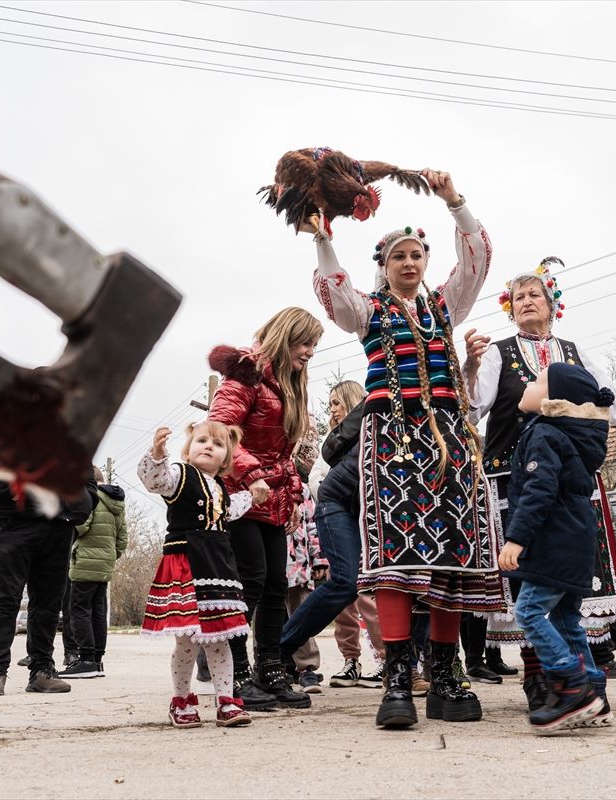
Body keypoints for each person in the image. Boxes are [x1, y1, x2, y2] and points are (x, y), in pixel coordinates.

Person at [309, 168, 503, 728]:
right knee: (393, 555)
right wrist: (323, 235)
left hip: (452, 441)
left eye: (417, 254)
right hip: (391, 438)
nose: (411, 263)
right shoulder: (369, 311)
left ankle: (445, 675)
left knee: (453, 556)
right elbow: (333, 290)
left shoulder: (446, 305)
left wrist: (454, 202)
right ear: (385, 266)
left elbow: (477, 261)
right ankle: (397, 677)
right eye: (399, 256)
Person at [464, 257, 616, 706]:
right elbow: (473, 407)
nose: (527, 301)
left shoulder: (575, 353)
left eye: (535, 294)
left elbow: (615, 406)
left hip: (573, 484)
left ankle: (580, 680)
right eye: (519, 297)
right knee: (528, 579)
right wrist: (472, 367)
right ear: (509, 308)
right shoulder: (499, 351)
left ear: (553, 304)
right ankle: (539, 678)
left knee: (570, 584)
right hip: (517, 478)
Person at [208, 306, 323, 711]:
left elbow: (286, 454)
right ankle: (236, 674)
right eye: (305, 342)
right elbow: (220, 431)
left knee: (277, 584)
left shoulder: (290, 384)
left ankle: (271, 670)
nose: (310, 351)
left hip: (273, 498)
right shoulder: (246, 372)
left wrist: (291, 499)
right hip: (238, 495)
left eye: (314, 345)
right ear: (286, 336)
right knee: (249, 583)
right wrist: (251, 474)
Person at [499, 363, 616, 734]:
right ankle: (595, 696)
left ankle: (571, 686)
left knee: (530, 612)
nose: (528, 383)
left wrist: (516, 538)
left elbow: (539, 492)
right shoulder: (574, 436)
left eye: (537, 381)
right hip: (577, 541)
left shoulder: (546, 435)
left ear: (554, 400)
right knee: (568, 621)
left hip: (553, 541)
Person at [139, 421, 254, 728]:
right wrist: (158, 453)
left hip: (218, 567)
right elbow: (156, 480)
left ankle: (226, 700)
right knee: (187, 640)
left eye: (217, 444)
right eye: (201, 440)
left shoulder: (222, 489)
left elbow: (231, 510)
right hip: (187, 563)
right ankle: (181, 699)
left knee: (219, 640)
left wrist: (255, 494)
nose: (208, 446)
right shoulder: (179, 475)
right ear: (188, 451)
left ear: (225, 458)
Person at [0, 471, 96, 697]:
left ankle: (42, 669)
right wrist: (13, 489)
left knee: (49, 600)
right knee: (3, 597)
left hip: (59, 520)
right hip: (12, 518)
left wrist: (86, 500)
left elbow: (84, 466)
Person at [300, 380, 386, 690]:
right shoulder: (330, 441)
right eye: (330, 403)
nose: (332, 408)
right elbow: (316, 477)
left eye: (337, 402)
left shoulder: (367, 431)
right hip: (337, 521)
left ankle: (383, 658)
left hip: (365, 519)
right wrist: (324, 491)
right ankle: (351, 659)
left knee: (366, 592)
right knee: (344, 598)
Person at [60, 466, 127, 679]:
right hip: (105, 564)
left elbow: (81, 526)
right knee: (98, 612)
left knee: (79, 610)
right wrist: (109, 556)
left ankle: (86, 659)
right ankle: (97, 661)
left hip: (85, 561)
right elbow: (122, 538)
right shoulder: (116, 502)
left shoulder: (89, 498)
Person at [286, 482, 327, 693]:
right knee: (267, 616)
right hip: (266, 562)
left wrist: (319, 558)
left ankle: (307, 667)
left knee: (301, 612)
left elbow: (312, 523)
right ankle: (269, 666)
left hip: (298, 562)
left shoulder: (300, 488)